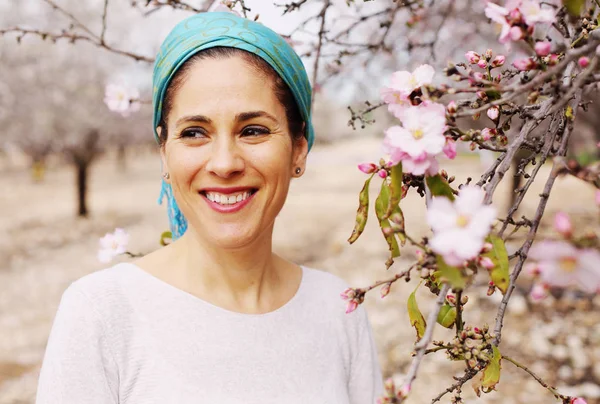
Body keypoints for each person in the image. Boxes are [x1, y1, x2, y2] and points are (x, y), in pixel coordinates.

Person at [36, 11, 383, 404]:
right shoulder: (101, 314)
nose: (224, 163)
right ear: (164, 154)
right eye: (194, 133)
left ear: (298, 149)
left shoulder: (339, 309)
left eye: (252, 130)